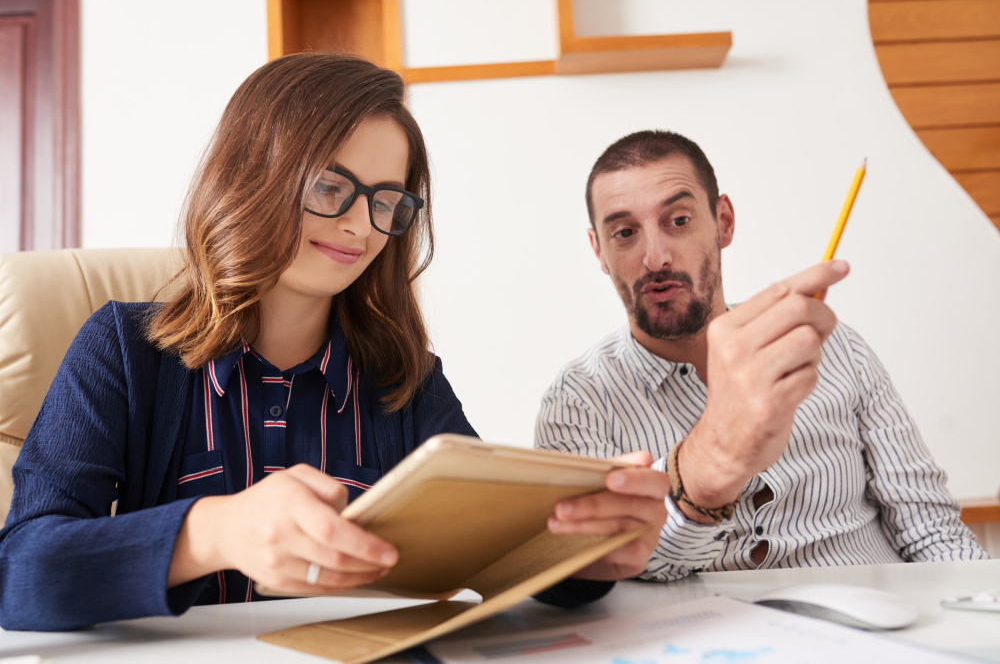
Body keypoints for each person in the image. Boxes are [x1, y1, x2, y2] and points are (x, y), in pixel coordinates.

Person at [0, 55, 671, 631]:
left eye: (387, 200)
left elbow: (491, 549)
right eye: (330, 186)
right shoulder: (121, 348)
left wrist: (588, 556)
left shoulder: (407, 378)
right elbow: (22, 570)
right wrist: (212, 531)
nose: (360, 224)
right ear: (252, 174)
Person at [535, 130, 987, 582]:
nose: (655, 257)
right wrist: (707, 470)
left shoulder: (832, 347)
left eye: (678, 221)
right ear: (600, 250)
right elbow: (608, 572)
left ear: (724, 221)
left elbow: (932, 531)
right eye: (625, 232)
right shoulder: (577, 405)